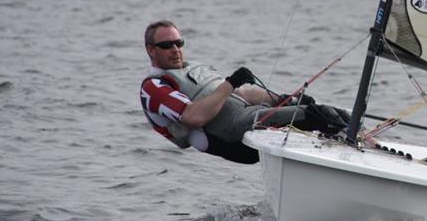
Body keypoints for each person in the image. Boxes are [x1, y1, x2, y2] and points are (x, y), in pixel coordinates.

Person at [140, 20, 350, 164]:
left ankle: (368, 145)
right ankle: (354, 148)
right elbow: (194, 117)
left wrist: (283, 99)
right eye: (167, 45)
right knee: (318, 115)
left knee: (330, 112)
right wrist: (230, 83)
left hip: (249, 115)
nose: (175, 49)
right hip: (231, 137)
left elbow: (242, 95)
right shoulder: (154, 87)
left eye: (179, 43)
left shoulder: (191, 68)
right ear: (151, 50)